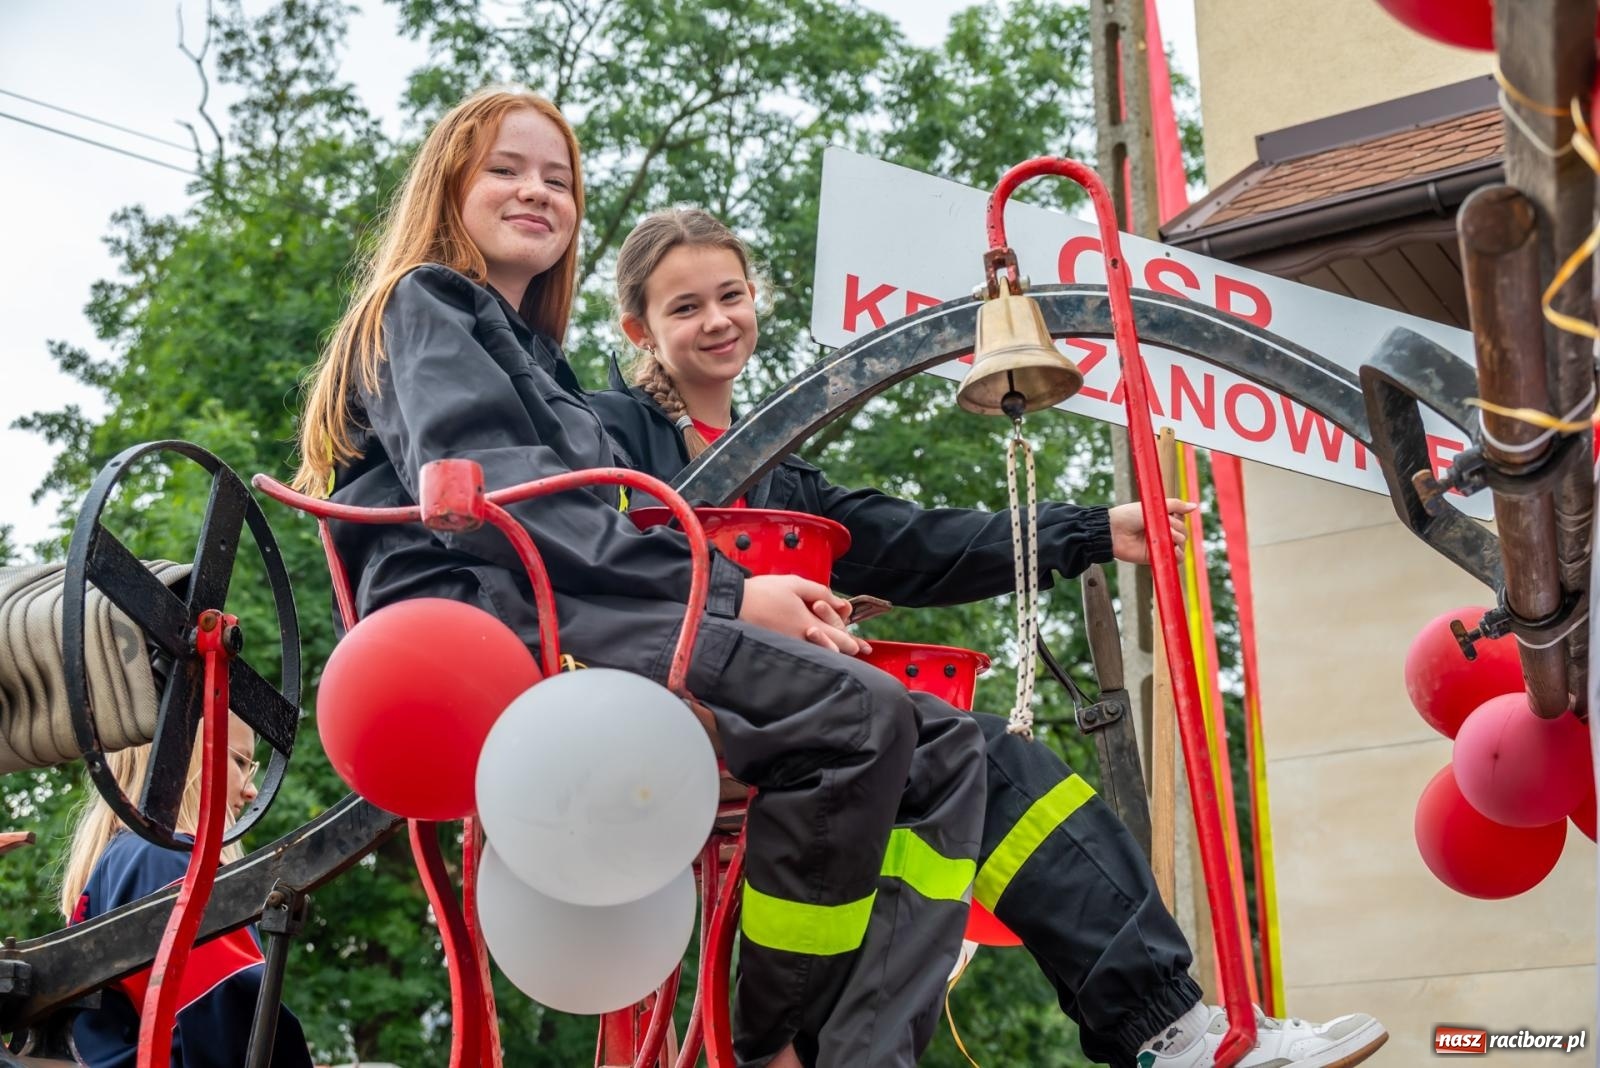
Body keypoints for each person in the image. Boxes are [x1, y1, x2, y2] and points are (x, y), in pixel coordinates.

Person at [588, 205, 1392, 1068]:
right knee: (942, 752)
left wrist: (1086, 531)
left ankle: (1168, 1029)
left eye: (730, 295)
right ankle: (788, 1041)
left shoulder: (784, 470)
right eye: (684, 308)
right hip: (677, 708)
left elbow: (910, 542)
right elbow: (602, 563)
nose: (716, 321)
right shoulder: (610, 436)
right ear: (639, 327)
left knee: (999, 768)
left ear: (757, 301)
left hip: (806, 721)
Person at [291, 87, 985, 1068]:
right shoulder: (427, 304)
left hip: (585, 608)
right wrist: (738, 594)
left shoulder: (538, 360)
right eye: (506, 168)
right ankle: (767, 1045)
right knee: (864, 719)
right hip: (514, 624)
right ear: (449, 184)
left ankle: (860, 1052)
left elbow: (578, 507)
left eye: (558, 178)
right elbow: (518, 501)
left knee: (945, 744)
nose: (535, 191)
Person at [61, 714, 315, 1067]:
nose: (252, 790)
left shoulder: (123, 862)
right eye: (240, 761)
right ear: (184, 755)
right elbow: (232, 1025)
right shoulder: (166, 862)